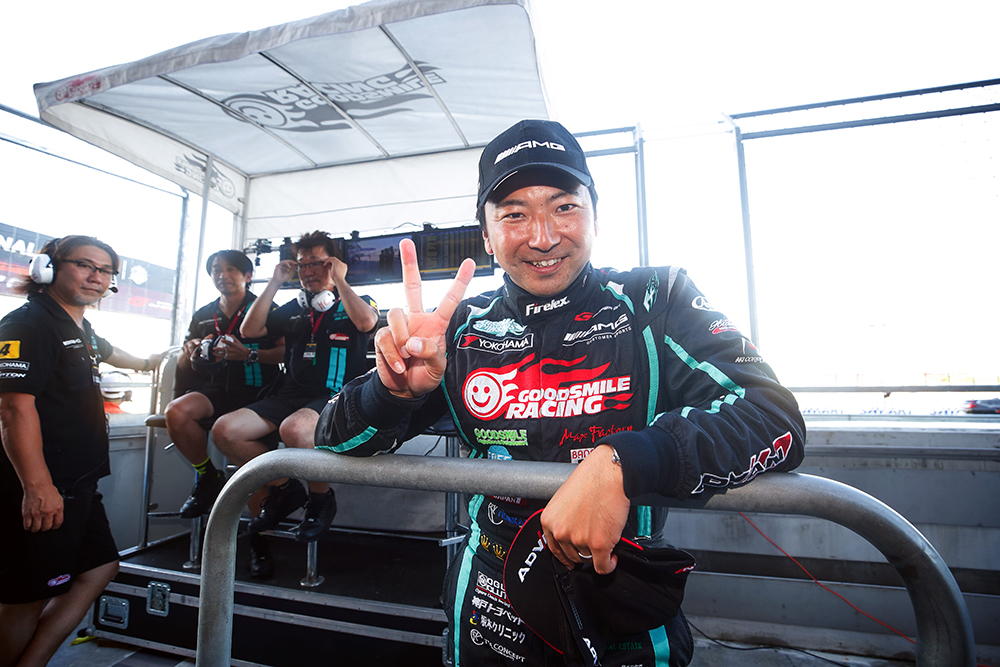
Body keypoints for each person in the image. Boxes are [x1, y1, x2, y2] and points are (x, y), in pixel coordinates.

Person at [315, 120, 807, 666]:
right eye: (514, 215)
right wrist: (391, 392)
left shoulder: (655, 298)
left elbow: (773, 415)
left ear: (595, 215)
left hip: (618, 589)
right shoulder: (457, 328)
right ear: (487, 235)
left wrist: (625, 461)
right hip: (491, 597)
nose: (544, 237)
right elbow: (329, 440)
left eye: (564, 207)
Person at [0, 235, 164, 667]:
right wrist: (38, 487)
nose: (96, 276)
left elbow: (114, 353)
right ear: (48, 268)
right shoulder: (29, 326)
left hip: (78, 483)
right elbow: (13, 409)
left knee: (99, 567)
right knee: (27, 596)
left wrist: (156, 361)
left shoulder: (79, 328)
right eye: (84, 265)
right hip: (46, 485)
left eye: (105, 270)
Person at [213, 231, 378, 578]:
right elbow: (250, 330)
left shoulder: (358, 301)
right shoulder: (296, 308)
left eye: (317, 263)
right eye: (303, 265)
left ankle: (320, 499)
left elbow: (367, 323)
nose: (308, 271)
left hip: (337, 395)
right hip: (289, 394)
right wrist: (275, 281)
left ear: (333, 264)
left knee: (295, 428)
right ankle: (284, 488)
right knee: (226, 430)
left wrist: (341, 280)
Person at [164, 250, 284, 519]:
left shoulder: (266, 308)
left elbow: (287, 352)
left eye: (230, 269)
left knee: (250, 475)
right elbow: (184, 363)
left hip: (259, 393)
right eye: (216, 270)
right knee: (176, 412)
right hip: (215, 390)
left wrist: (250, 354)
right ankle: (207, 476)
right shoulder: (203, 314)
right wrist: (190, 352)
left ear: (248, 276)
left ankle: (258, 534)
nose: (222, 275)